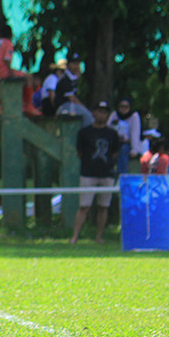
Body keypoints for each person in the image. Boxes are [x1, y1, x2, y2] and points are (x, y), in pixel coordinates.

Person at [70, 101, 120, 244]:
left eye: (104, 112)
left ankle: (99, 237)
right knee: (84, 206)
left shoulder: (112, 134)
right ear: (93, 113)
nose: (102, 114)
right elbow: (80, 152)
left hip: (106, 173)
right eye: (99, 111)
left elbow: (115, 152)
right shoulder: (84, 132)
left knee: (103, 207)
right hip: (88, 173)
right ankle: (75, 236)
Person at [107, 97, 142, 175]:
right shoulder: (114, 115)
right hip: (114, 142)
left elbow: (135, 133)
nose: (123, 109)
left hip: (126, 143)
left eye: (126, 107)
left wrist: (134, 149)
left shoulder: (134, 116)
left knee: (123, 151)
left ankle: (121, 174)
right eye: (121, 106)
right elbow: (108, 128)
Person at [45, 52, 82, 117]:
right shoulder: (62, 79)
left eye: (78, 64)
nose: (76, 67)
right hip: (63, 109)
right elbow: (72, 99)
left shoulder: (73, 79)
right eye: (74, 64)